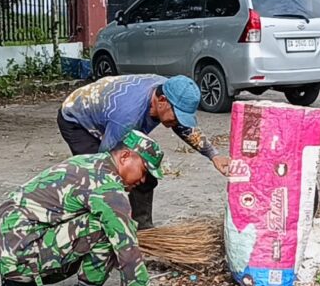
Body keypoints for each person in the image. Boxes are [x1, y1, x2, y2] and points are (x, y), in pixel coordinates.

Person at [0, 130, 178, 286]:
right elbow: (126, 247)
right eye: (144, 170)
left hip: (3, 246)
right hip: (19, 251)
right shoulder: (107, 188)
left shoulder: (87, 162)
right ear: (125, 156)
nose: (143, 180)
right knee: (105, 230)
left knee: (90, 222)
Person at [57, 74, 231, 229]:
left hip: (111, 116)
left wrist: (213, 155)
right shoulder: (127, 118)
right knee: (100, 178)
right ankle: (93, 229)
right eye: (177, 115)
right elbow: (106, 166)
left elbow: (184, 128)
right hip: (78, 121)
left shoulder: (170, 90)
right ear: (161, 100)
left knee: (144, 175)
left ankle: (143, 227)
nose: (178, 121)